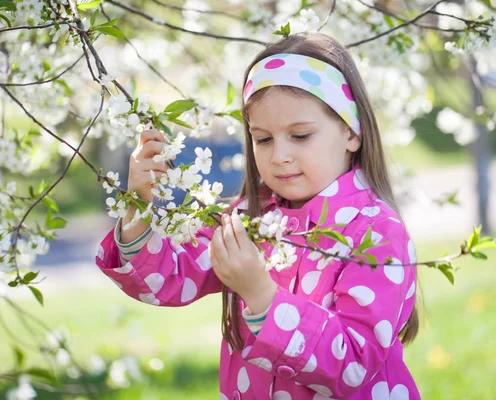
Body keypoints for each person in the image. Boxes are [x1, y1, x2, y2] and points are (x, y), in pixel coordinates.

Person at [95, 32, 420, 400]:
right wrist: (140, 203)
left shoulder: (376, 233)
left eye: (300, 135)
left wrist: (262, 296)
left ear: (351, 132)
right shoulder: (250, 217)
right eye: (263, 139)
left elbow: (353, 366)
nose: (279, 155)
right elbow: (166, 279)